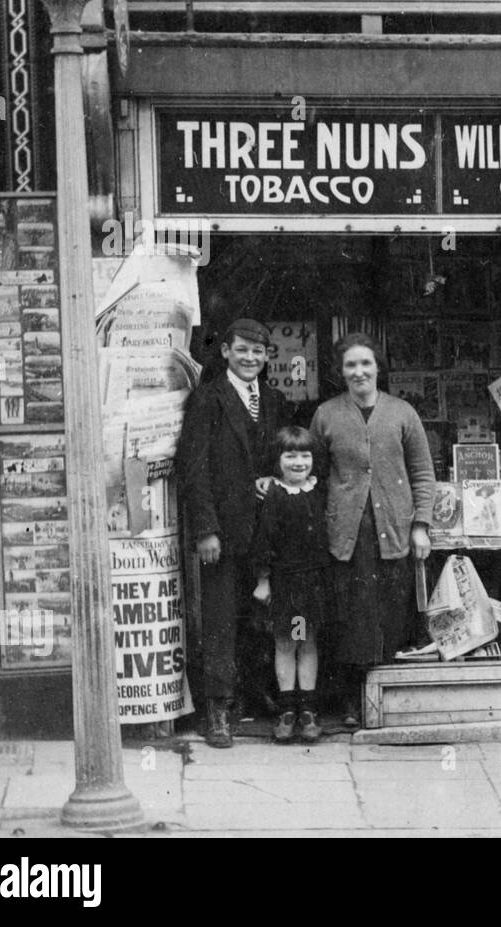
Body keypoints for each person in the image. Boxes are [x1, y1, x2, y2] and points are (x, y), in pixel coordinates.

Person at [311, 333, 435, 727]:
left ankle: (389, 700)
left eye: (366, 363)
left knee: (390, 613)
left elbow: (423, 474)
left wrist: (421, 525)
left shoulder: (402, 413)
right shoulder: (326, 415)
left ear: (378, 367)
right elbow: (312, 472)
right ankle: (352, 702)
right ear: (340, 372)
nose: (359, 372)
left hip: (393, 530)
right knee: (350, 617)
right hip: (347, 533)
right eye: (350, 365)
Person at [178, 318, 290, 748]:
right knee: (221, 620)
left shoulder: (275, 400)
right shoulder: (208, 400)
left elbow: (283, 457)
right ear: (225, 352)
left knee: (260, 616)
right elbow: (195, 470)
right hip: (223, 533)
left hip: (264, 532)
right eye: (241, 350)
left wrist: (271, 478)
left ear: (266, 357)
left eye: (258, 352)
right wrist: (206, 530)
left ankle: (254, 694)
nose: (250, 358)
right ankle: (218, 710)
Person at [252, 426, 328, 743]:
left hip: (314, 583)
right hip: (288, 586)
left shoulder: (317, 491)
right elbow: (264, 541)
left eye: (305, 455)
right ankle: (287, 709)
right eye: (290, 455)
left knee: (307, 642)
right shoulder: (275, 496)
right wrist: (263, 580)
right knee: (288, 642)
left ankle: (307, 709)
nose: (298, 462)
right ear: (278, 459)